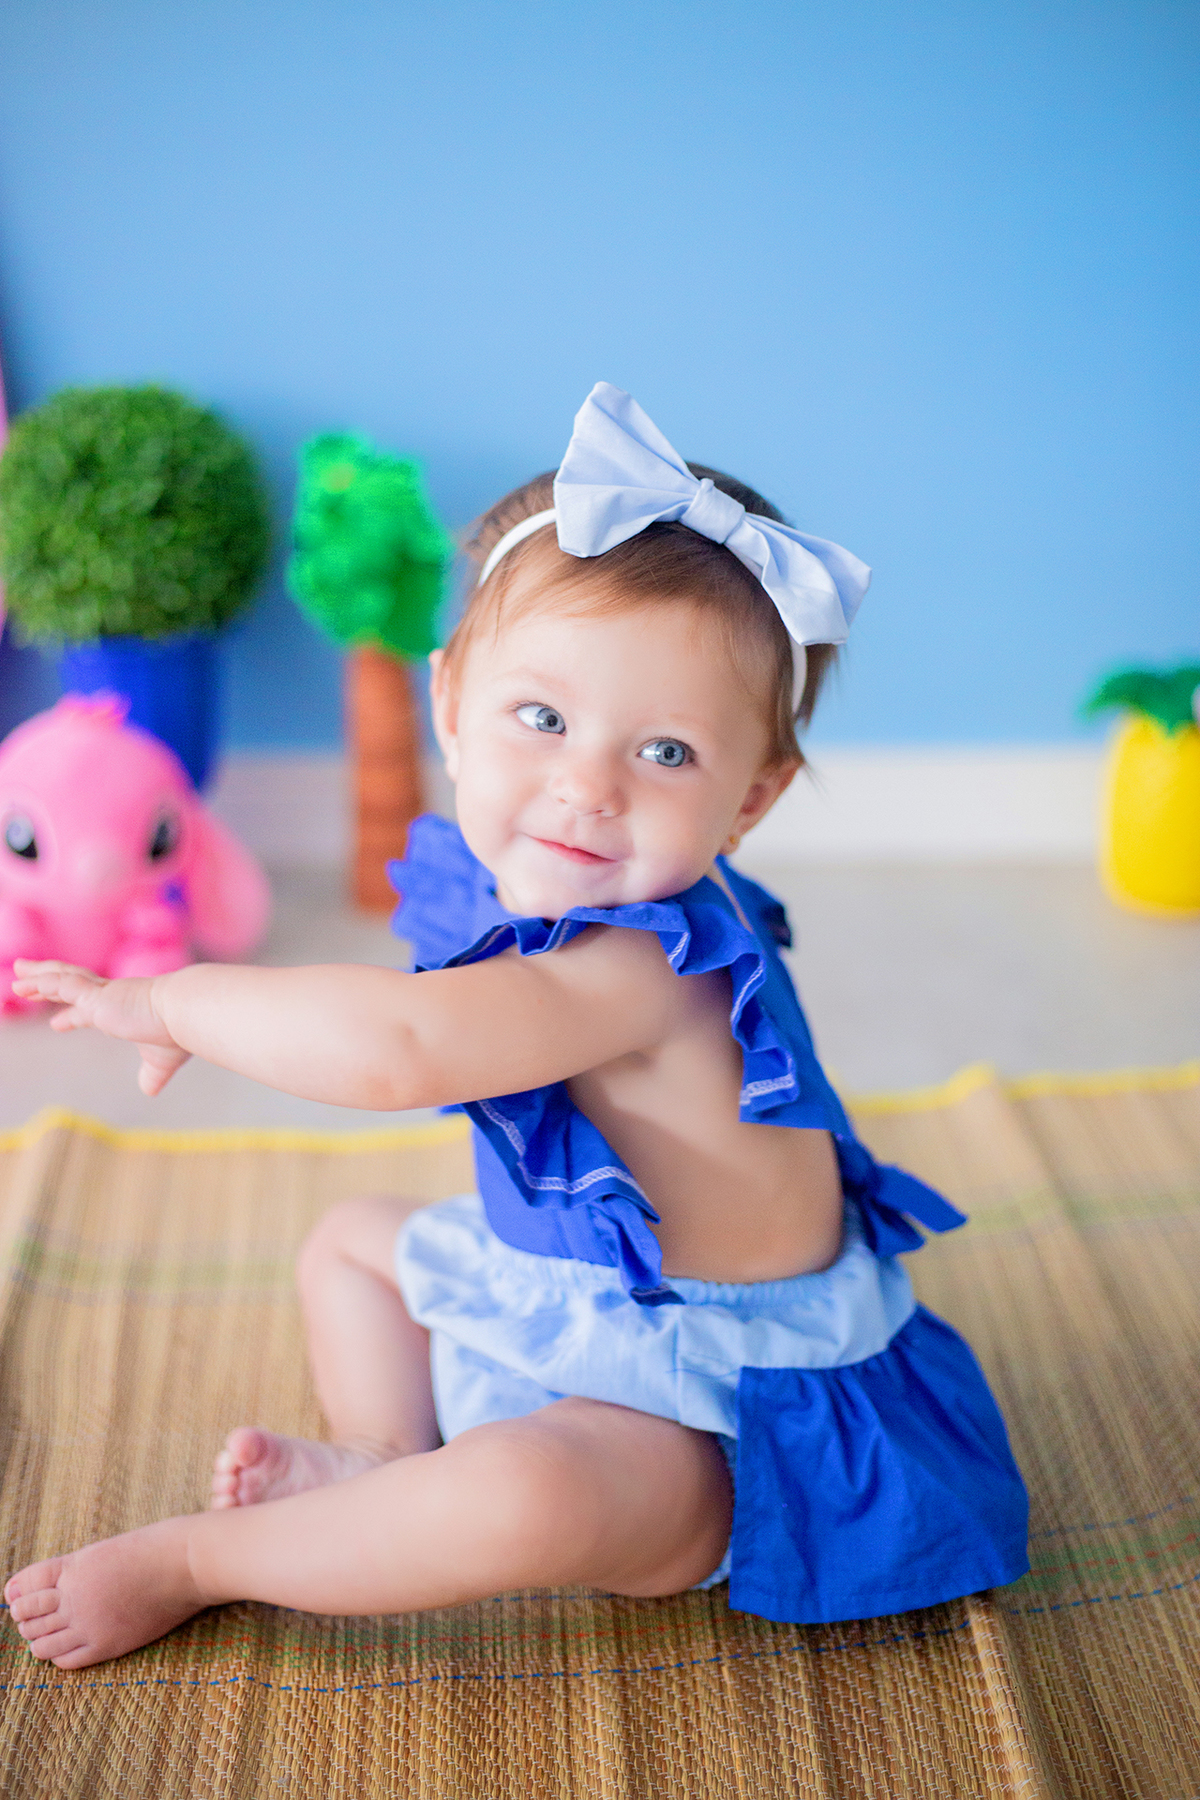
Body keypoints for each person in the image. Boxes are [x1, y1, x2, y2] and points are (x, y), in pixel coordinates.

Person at [5, 384, 1028, 1670]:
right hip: (571, 1296)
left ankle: (203, 1560)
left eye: (664, 754)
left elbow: (401, 1046)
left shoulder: (641, 960)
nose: (585, 786)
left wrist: (172, 1000)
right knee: (351, 1247)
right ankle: (379, 1460)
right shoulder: (523, 882)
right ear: (449, 704)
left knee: (523, 1498)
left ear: (750, 800)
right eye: (541, 719)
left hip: (708, 1403)